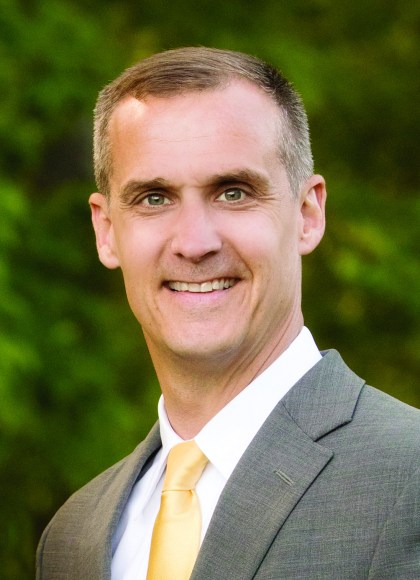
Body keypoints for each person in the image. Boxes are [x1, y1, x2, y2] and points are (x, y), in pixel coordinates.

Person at [36, 47, 420, 579]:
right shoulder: (72, 538)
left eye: (233, 193)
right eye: (154, 198)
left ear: (308, 214)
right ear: (106, 231)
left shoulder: (408, 479)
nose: (194, 243)